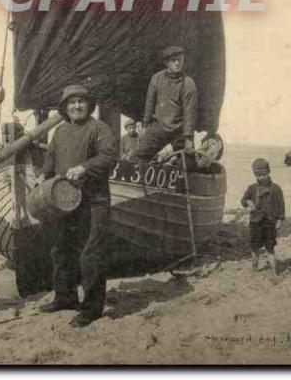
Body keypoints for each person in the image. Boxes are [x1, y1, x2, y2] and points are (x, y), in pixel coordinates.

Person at [37, 84, 118, 327]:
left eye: (81, 101)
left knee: (90, 255)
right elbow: (50, 161)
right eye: (71, 103)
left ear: (88, 105)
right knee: (61, 250)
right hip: (66, 202)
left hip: (95, 201)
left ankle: (92, 309)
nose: (76, 106)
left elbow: (109, 158)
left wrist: (84, 167)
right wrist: (43, 176)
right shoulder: (60, 132)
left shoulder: (99, 128)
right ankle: (65, 297)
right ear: (65, 108)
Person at [132, 46, 197, 164]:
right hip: (159, 127)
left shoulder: (188, 84)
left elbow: (190, 113)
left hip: (179, 131)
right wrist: (145, 125)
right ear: (166, 62)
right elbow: (149, 103)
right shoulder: (156, 79)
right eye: (174, 60)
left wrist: (188, 138)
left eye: (180, 60)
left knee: (188, 164)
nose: (177, 63)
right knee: (137, 157)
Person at [241, 158, 285, 276]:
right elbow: (243, 200)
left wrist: (280, 219)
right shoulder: (252, 188)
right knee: (255, 246)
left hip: (270, 222)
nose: (260, 177)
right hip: (255, 222)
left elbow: (281, 206)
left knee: (270, 247)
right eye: (258, 175)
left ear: (268, 172)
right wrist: (248, 202)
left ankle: (273, 271)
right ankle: (254, 268)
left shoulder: (276, 188)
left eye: (263, 175)